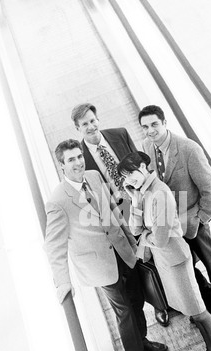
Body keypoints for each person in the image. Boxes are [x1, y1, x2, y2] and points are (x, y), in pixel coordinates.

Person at [44, 139, 168, 351]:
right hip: (98, 265)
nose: (78, 162)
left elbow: (114, 210)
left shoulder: (93, 176)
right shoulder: (57, 201)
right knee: (123, 310)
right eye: (71, 159)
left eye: (79, 156)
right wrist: (62, 281)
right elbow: (54, 245)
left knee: (137, 299)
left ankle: (142, 341)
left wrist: (134, 244)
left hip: (123, 251)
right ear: (61, 165)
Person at [117, 151, 211, 351]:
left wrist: (144, 237)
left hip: (176, 261)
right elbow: (136, 228)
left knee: (200, 313)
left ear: (143, 166)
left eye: (131, 174)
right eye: (126, 177)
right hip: (165, 261)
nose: (130, 180)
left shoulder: (160, 193)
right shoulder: (144, 194)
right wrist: (135, 203)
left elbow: (158, 238)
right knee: (191, 310)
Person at [138, 105, 211, 337]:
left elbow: (210, 186)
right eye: (145, 127)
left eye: (154, 124)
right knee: (186, 265)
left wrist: (201, 218)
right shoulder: (146, 147)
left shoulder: (188, 149)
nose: (150, 130)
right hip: (170, 223)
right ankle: (209, 302)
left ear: (164, 122)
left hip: (192, 218)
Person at [71, 102, 169, 327]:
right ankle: (160, 305)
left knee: (160, 248)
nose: (91, 126)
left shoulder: (119, 135)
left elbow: (141, 165)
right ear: (78, 128)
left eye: (93, 121)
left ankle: (171, 299)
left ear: (98, 120)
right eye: (84, 124)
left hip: (142, 200)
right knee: (142, 257)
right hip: (118, 212)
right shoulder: (80, 157)